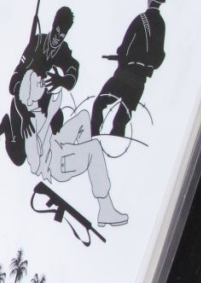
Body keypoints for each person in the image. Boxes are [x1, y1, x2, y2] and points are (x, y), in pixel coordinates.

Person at [17, 71, 128, 227]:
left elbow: (55, 102)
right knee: (94, 147)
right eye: (37, 83)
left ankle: (86, 163)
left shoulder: (39, 111)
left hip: (57, 146)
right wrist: (47, 158)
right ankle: (105, 208)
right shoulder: (30, 122)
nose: (41, 82)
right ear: (29, 93)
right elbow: (35, 163)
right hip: (55, 164)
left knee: (83, 117)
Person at [0, 7, 78, 166]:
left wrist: (61, 80)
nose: (57, 38)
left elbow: (73, 70)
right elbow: (15, 80)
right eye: (57, 31)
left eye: (62, 35)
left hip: (43, 103)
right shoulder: (37, 42)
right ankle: (7, 126)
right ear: (53, 25)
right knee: (19, 158)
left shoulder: (63, 51)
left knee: (58, 119)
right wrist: (24, 108)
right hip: (23, 102)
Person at [91, 0, 168, 137]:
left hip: (125, 77)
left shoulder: (141, 19)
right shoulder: (161, 24)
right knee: (120, 122)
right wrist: (147, 65)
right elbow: (160, 56)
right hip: (139, 83)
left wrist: (122, 60)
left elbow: (123, 47)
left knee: (99, 104)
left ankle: (92, 138)